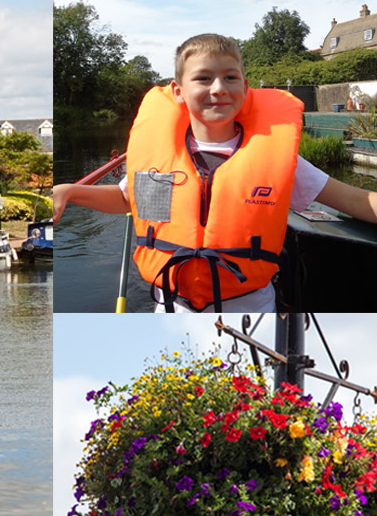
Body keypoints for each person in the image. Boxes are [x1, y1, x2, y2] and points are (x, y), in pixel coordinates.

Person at [53, 33, 377, 313]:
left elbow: (357, 200)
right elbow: (126, 199)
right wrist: (70, 191)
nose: (219, 88)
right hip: (171, 308)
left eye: (230, 78)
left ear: (245, 88)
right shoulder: (157, 155)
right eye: (204, 78)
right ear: (178, 91)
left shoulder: (281, 160)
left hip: (251, 308)